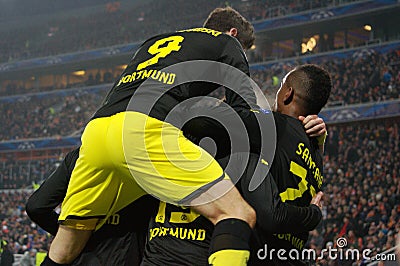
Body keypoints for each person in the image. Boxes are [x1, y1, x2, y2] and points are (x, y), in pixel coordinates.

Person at [42, 7, 260, 266]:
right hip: (144, 131)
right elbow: (242, 113)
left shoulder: (155, 41)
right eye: (246, 49)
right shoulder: (228, 42)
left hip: (97, 132)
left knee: (65, 247)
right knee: (236, 213)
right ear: (234, 33)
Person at [141, 64, 332, 265]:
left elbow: (201, 122)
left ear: (288, 93)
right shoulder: (316, 152)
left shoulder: (270, 128)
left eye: (281, 85)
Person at [26, 148, 158, 265]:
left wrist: (74, 236)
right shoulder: (150, 158)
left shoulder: (81, 155)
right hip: (128, 256)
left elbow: (36, 207)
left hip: (80, 257)